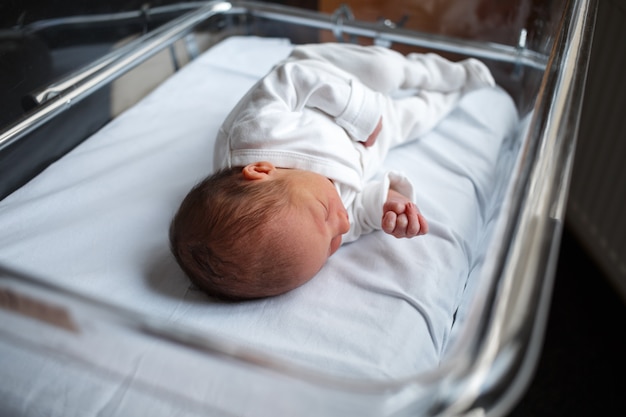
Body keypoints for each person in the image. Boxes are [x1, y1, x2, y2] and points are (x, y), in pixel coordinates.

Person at [169, 42, 495, 301]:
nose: (341, 224)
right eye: (331, 247)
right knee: (417, 120)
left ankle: (441, 73)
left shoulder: (253, 132)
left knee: (384, 69)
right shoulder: (312, 230)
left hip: (334, 83)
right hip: (369, 147)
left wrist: (361, 115)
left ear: (260, 171)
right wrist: (387, 204)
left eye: (326, 213)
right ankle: (462, 91)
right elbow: (357, 212)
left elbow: (292, 78)